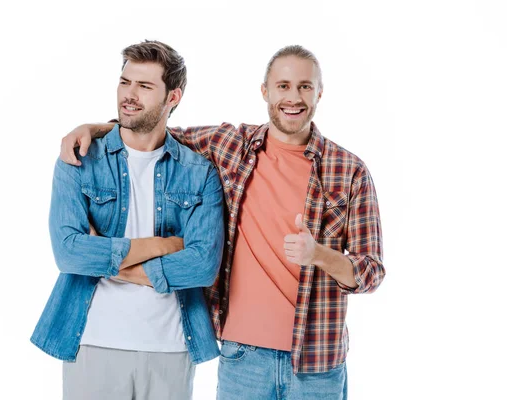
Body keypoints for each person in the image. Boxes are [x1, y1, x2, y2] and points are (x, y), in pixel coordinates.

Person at [60, 45, 385, 399]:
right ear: (265, 91)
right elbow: (156, 130)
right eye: (283, 86)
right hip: (242, 357)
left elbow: (371, 272)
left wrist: (319, 255)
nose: (293, 97)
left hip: (317, 362)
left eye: (305, 87)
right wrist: (94, 128)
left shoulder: (349, 170)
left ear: (320, 93)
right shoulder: (231, 145)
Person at [31, 40, 225, 400]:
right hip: (92, 339)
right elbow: (69, 253)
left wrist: (109, 261)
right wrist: (162, 245)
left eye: (145, 86)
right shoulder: (79, 159)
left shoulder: (199, 174)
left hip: (170, 345)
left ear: (173, 97)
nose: (129, 95)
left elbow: (201, 267)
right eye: (125, 82)